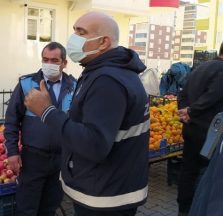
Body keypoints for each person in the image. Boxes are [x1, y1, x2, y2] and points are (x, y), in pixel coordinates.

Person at [24, 12, 149, 216]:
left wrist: (46, 111)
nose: (73, 38)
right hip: (108, 188)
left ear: (103, 42)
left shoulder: (107, 80)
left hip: (105, 197)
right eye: (74, 30)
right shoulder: (105, 71)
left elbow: (94, 144)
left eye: (81, 32)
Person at [4, 42, 76, 216]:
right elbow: (12, 120)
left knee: (49, 208)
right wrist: (12, 152)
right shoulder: (26, 84)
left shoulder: (74, 86)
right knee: (26, 209)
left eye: (54, 60)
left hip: (61, 159)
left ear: (64, 63)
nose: (49, 64)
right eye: (45, 59)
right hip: (33, 158)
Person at [176, 41, 223, 216]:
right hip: (210, 132)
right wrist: (191, 111)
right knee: (206, 174)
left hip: (191, 127)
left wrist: (184, 111)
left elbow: (182, 92)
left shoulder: (202, 67)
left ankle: (183, 208)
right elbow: (213, 95)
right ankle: (197, 209)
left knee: (188, 169)